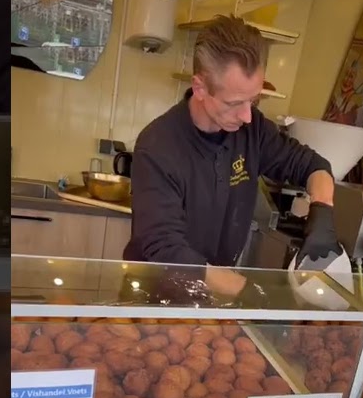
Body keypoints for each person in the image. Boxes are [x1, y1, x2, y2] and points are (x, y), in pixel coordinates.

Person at [124, 15, 342, 299]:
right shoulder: (158, 147)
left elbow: (311, 165)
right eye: (234, 103)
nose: (247, 115)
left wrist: (322, 212)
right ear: (200, 88)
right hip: (153, 295)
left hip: (211, 294)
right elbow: (165, 248)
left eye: (253, 100)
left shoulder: (253, 130)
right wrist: (249, 292)